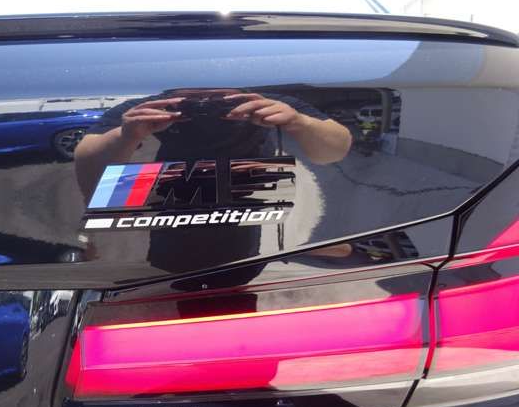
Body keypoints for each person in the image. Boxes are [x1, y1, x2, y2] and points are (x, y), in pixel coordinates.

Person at [74, 88, 351, 275]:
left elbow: (335, 149)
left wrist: (299, 122)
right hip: (172, 223)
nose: (205, 102)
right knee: (171, 277)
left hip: (245, 224)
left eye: (221, 98)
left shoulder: (265, 101)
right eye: (192, 99)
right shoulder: (149, 108)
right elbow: (90, 171)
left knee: (239, 275)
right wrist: (127, 135)